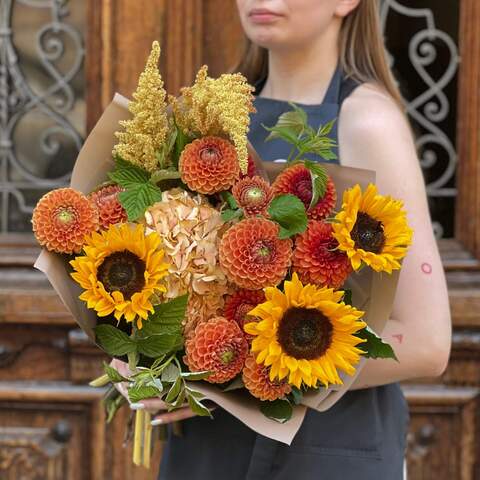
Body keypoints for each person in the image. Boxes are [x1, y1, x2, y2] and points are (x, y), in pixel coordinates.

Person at [146, 1, 451, 478]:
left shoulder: (367, 121)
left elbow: (428, 343)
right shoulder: (211, 119)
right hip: (206, 446)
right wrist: (150, 362)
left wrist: (232, 378)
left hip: (321, 449)